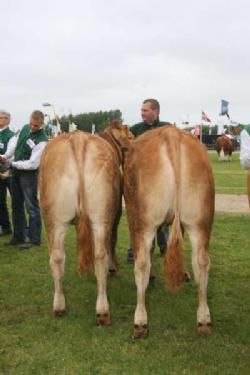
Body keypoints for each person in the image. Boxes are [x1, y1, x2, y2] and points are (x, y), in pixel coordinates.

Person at [127, 98, 170, 263]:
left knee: (163, 215)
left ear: (156, 111)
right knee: (138, 215)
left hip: (162, 179)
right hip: (141, 181)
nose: (142, 113)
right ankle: (134, 251)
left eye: (145, 110)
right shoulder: (135, 129)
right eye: (142, 110)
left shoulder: (167, 129)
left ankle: (165, 247)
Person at [0, 110, 48, 249]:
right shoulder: (25, 128)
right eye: (32, 124)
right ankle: (18, 236)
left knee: (31, 207)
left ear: (41, 124)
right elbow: (15, 144)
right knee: (16, 205)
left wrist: (12, 164)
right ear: (29, 120)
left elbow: (33, 163)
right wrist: (5, 156)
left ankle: (34, 239)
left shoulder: (42, 140)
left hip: (29, 174)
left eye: (36, 126)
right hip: (16, 172)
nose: (33, 127)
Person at [0, 110, 15, 236]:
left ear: (8, 120)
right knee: (1, 201)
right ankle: (5, 227)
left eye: (2, 117)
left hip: (9, 170)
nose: (0, 119)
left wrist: (2, 157)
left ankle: (20, 230)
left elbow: (9, 153)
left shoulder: (11, 135)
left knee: (16, 201)